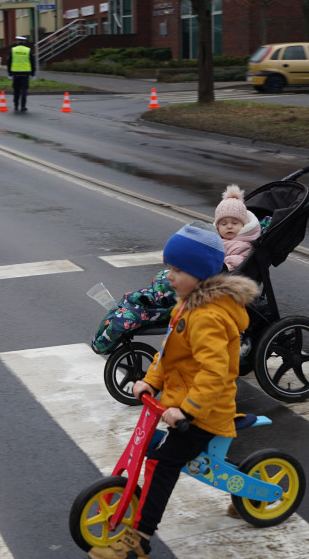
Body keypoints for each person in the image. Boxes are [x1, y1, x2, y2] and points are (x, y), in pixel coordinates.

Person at [89, 222, 259, 559]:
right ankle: (246, 491)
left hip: (205, 409)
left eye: (177, 269)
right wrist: (151, 381)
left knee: (161, 462)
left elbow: (215, 372)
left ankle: (139, 540)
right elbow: (168, 354)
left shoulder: (208, 316)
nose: (169, 275)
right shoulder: (187, 305)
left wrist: (188, 410)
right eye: (168, 267)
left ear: (199, 275)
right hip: (185, 403)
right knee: (194, 460)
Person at [214, 184, 261, 272]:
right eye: (223, 224)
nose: (229, 226)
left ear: (244, 225)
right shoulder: (214, 240)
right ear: (217, 227)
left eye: (235, 223)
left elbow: (236, 262)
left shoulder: (243, 245)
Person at [6, 36, 36, 112]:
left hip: (15, 73)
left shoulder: (13, 50)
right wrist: (33, 73)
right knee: (24, 90)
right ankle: (23, 106)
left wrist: (9, 73)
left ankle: (16, 106)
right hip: (25, 74)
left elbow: (9, 62)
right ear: (24, 42)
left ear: (17, 42)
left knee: (16, 90)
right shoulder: (28, 50)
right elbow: (32, 62)